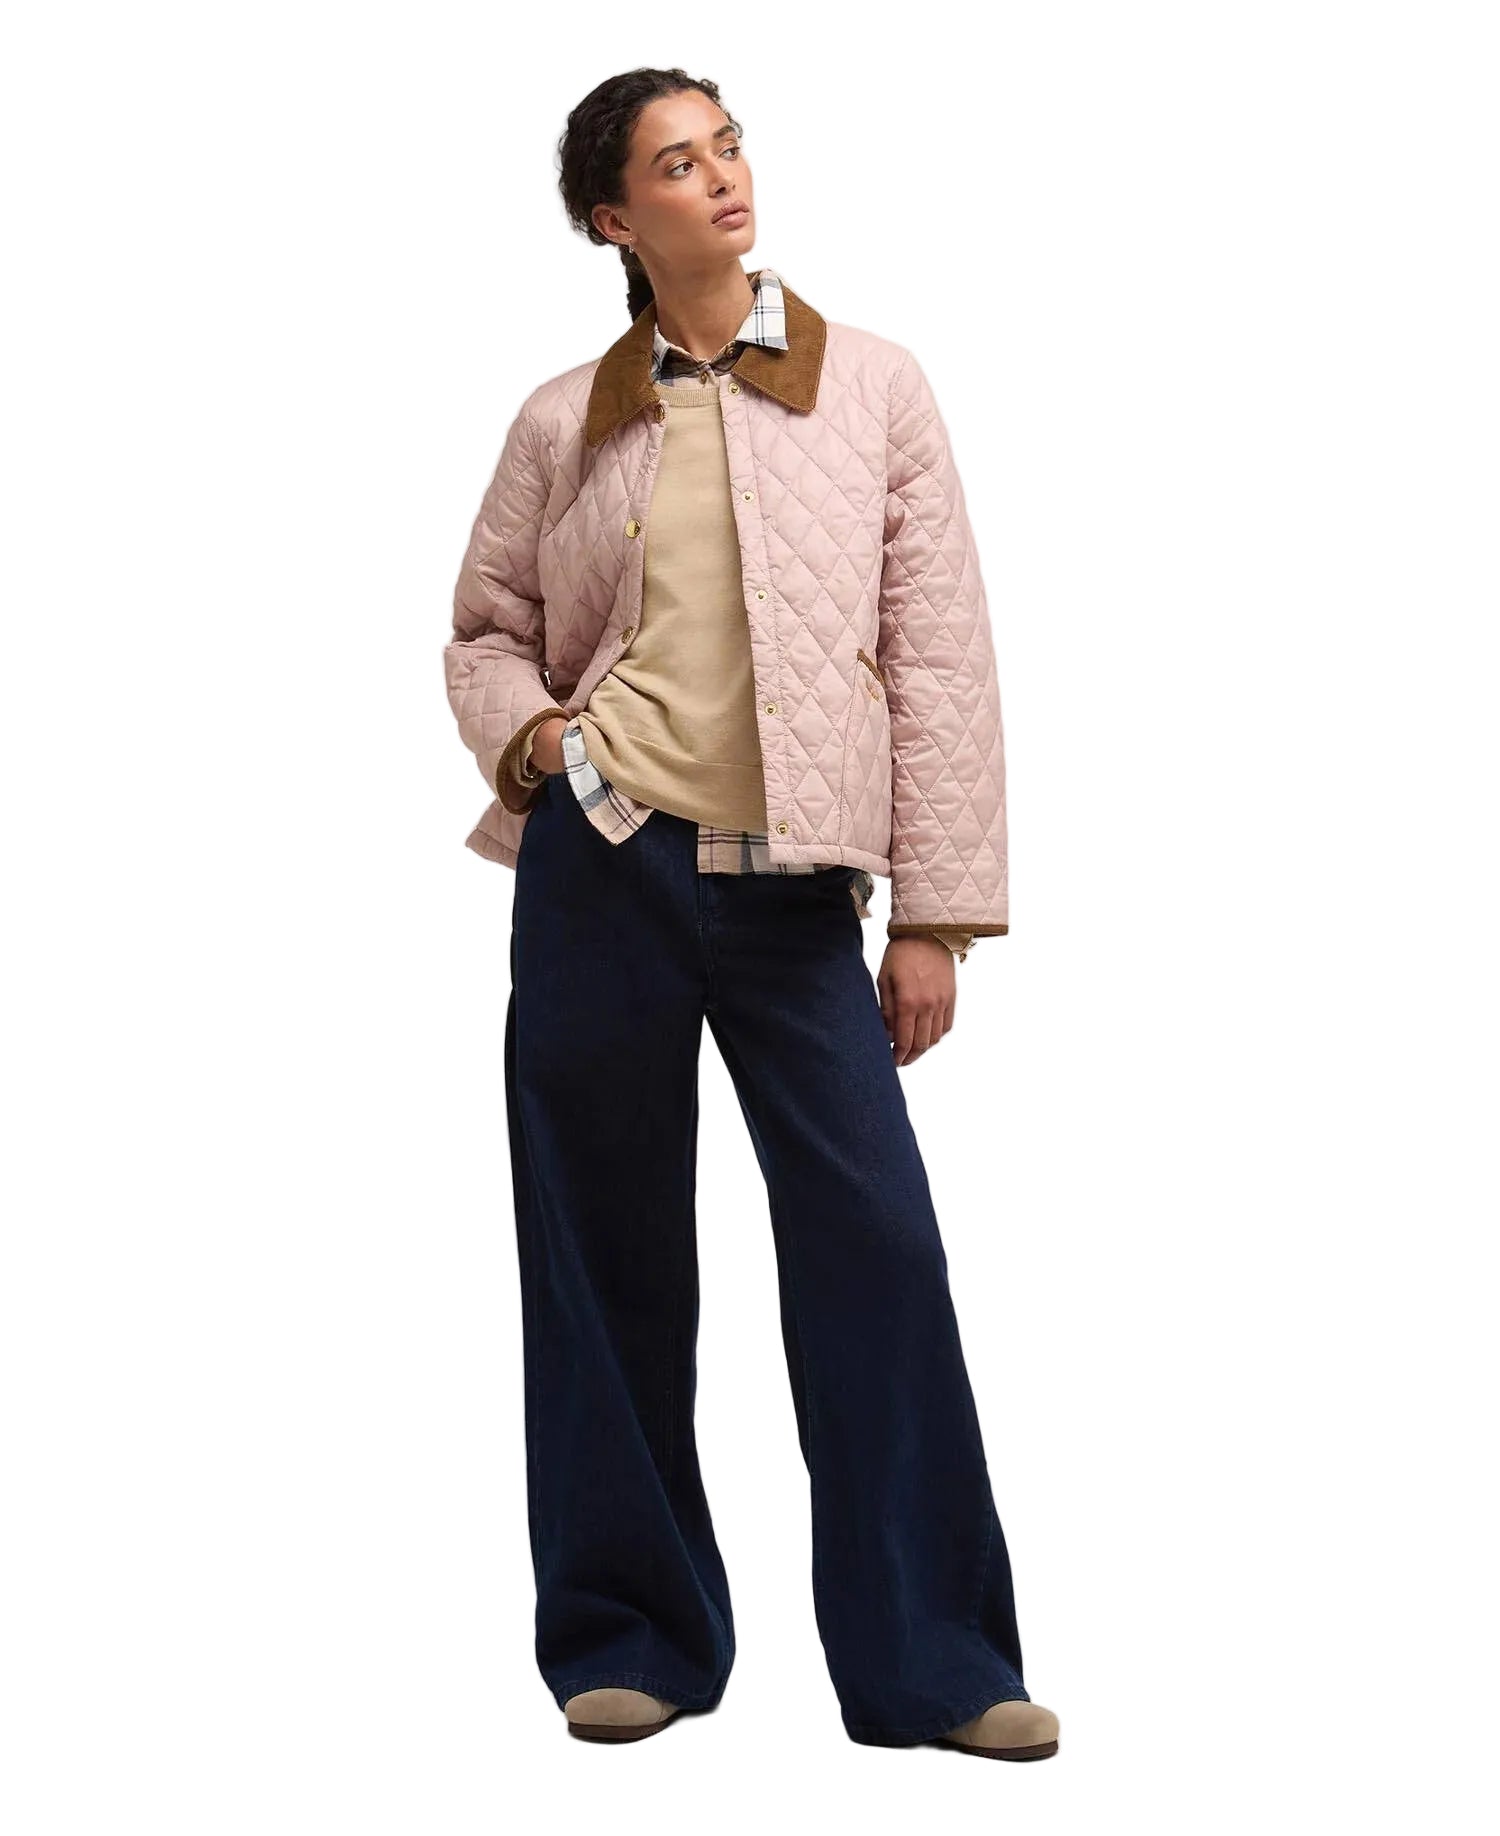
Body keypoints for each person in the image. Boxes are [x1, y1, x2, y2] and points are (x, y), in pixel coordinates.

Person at [443, 67, 1058, 1762]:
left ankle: (937, 1662)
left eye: (726, 145)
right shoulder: (565, 420)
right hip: (605, 869)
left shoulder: (874, 385)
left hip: (796, 893)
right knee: (605, 1257)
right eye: (674, 163)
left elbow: (940, 653)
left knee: (877, 1250)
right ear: (613, 220)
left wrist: (935, 916)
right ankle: (630, 1637)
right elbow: (485, 628)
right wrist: (540, 740)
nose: (719, 177)